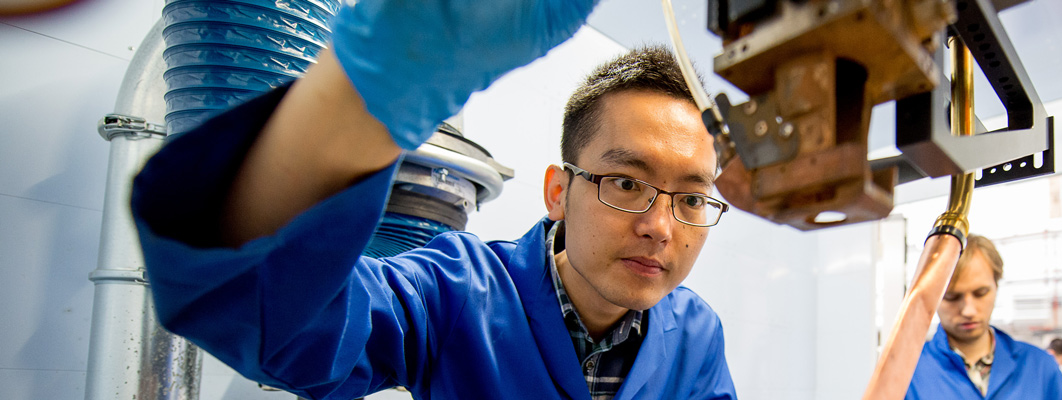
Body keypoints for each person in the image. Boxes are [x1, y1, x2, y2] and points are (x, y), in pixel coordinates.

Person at [130, 0, 736, 398]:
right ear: (558, 191)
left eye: (691, 198)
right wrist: (383, 82)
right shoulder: (451, 293)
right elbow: (264, 318)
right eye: (627, 183)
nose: (661, 226)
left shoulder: (697, 335)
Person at [905, 235, 1062, 399]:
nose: (968, 311)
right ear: (933, 296)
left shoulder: (1040, 368)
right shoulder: (907, 374)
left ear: (996, 287)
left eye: (980, 293)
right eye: (952, 296)